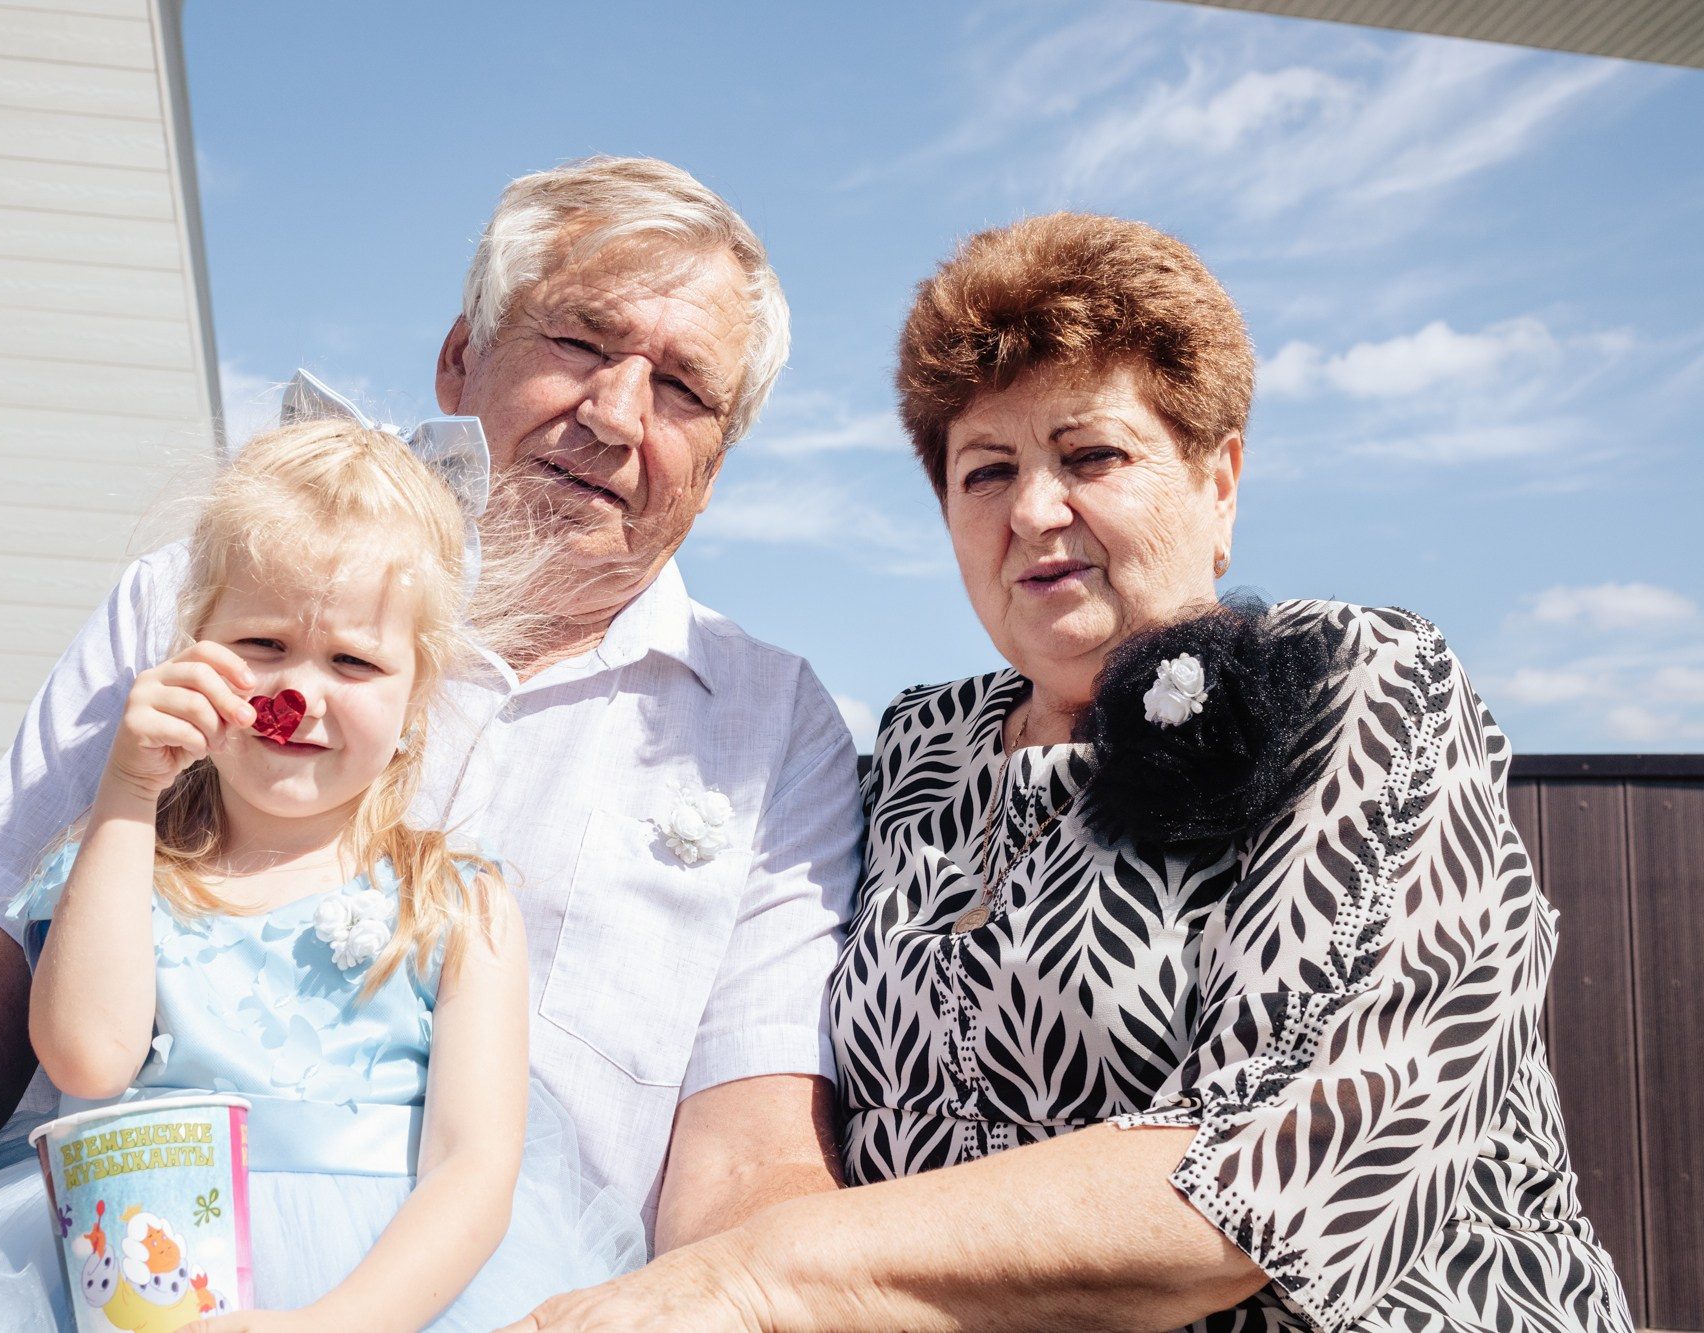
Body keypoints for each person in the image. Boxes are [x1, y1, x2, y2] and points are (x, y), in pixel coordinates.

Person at [0, 157, 858, 1331]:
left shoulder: (775, 728)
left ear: (716, 465)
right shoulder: (197, 598)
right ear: (461, 358)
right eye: (577, 340)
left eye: (680, 389)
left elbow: (747, 1163)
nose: (614, 414)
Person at [503, 214, 1633, 1332]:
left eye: (1090, 455)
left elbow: (1264, 1168)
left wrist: (749, 1278)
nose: (1036, 511)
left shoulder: (1350, 682)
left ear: (1217, 478)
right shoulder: (917, 755)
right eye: (985, 470)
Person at [0, 418, 643, 1331]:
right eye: (261, 645)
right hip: (136, 1275)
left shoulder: (456, 903)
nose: (300, 692)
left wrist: (335, 1322)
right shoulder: (117, 859)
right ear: (192, 647)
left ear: (416, 696)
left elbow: (474, 1166)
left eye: (354, 660)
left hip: (383, 1292)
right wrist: (129, 791)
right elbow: (87, 1056)